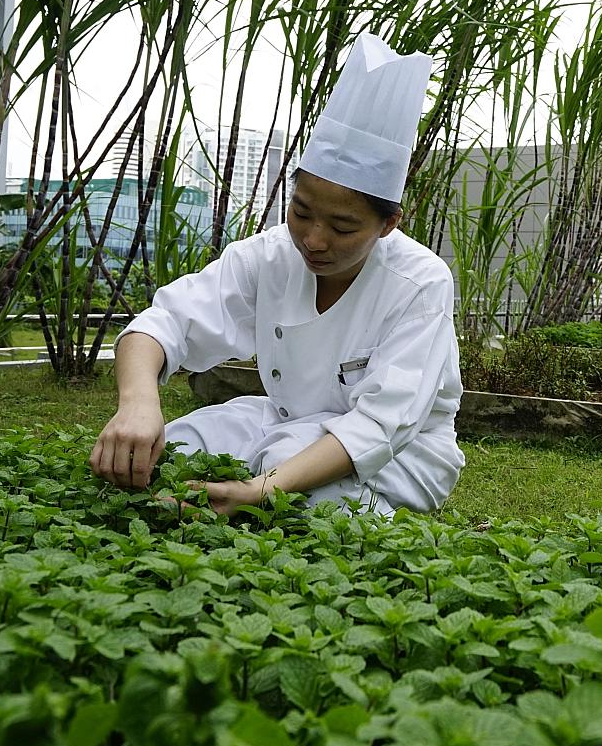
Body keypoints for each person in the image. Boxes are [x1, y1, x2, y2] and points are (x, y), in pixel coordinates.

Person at [88, 34, 465, 516]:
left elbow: (381, 424)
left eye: (343, 226)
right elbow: (165, 323)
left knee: (288, 474)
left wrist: (261, 489)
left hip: (405, 454)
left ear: (389, 224)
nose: (313, 239)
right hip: (285, 421)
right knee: (175, 445)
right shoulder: (269, 256)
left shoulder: (421, 283)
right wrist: (138, 403)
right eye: (302, 212)